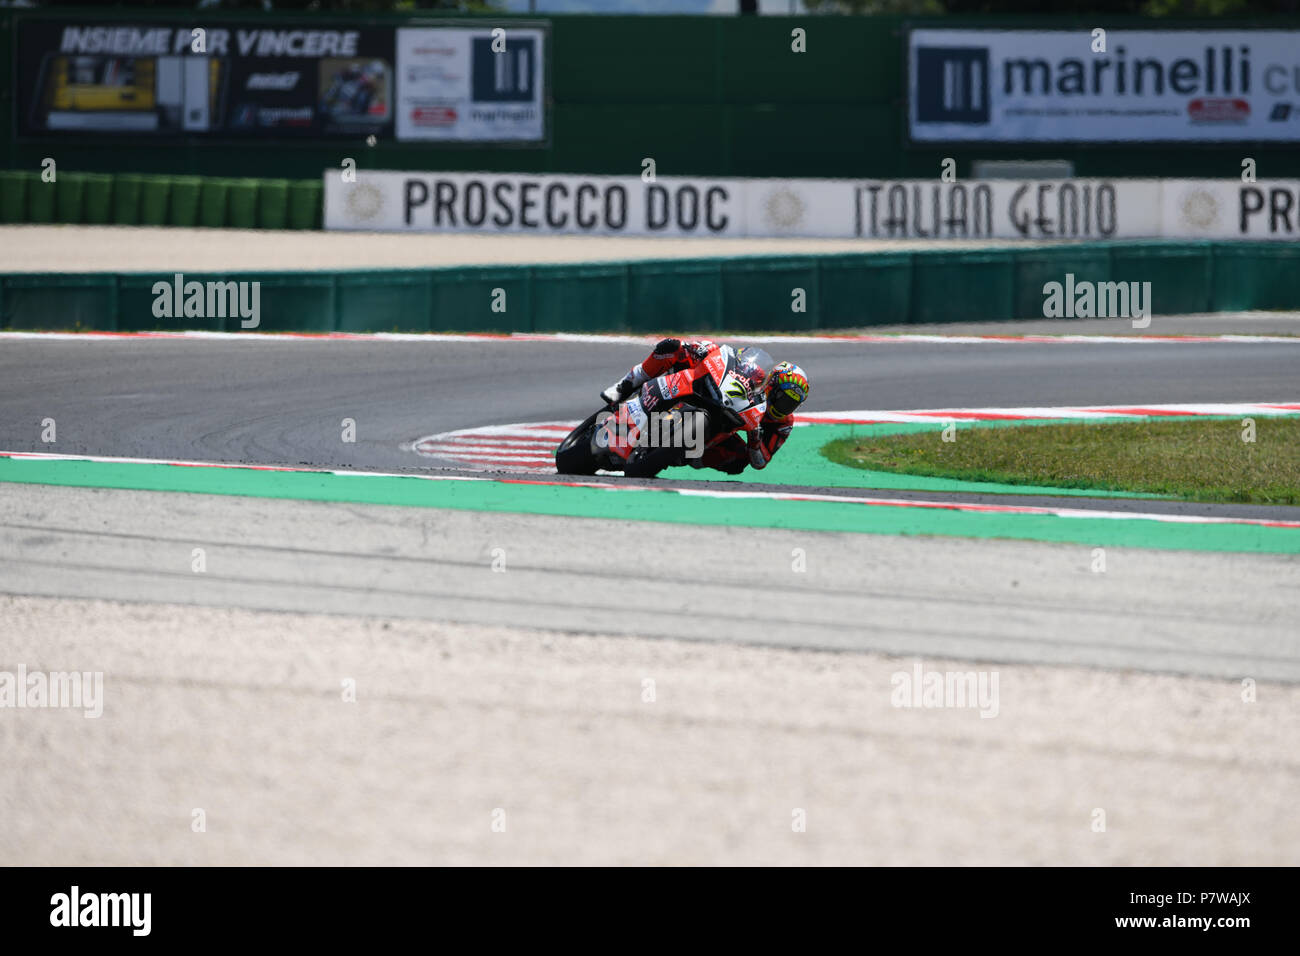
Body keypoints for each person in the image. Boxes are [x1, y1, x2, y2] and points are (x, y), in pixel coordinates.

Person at [600, 337, 810, 475]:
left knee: (739, 461)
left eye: (791, 404)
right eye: (783, 399)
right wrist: (704, 349)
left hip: (727, 426)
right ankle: (625, 385)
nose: (784, 407)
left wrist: (754, 439)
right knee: (673, 348)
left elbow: (761, 462)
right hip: (715, 392)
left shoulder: (783, 423)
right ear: (771, 385)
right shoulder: (757, 374)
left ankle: (690, 453)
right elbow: (735, 359)